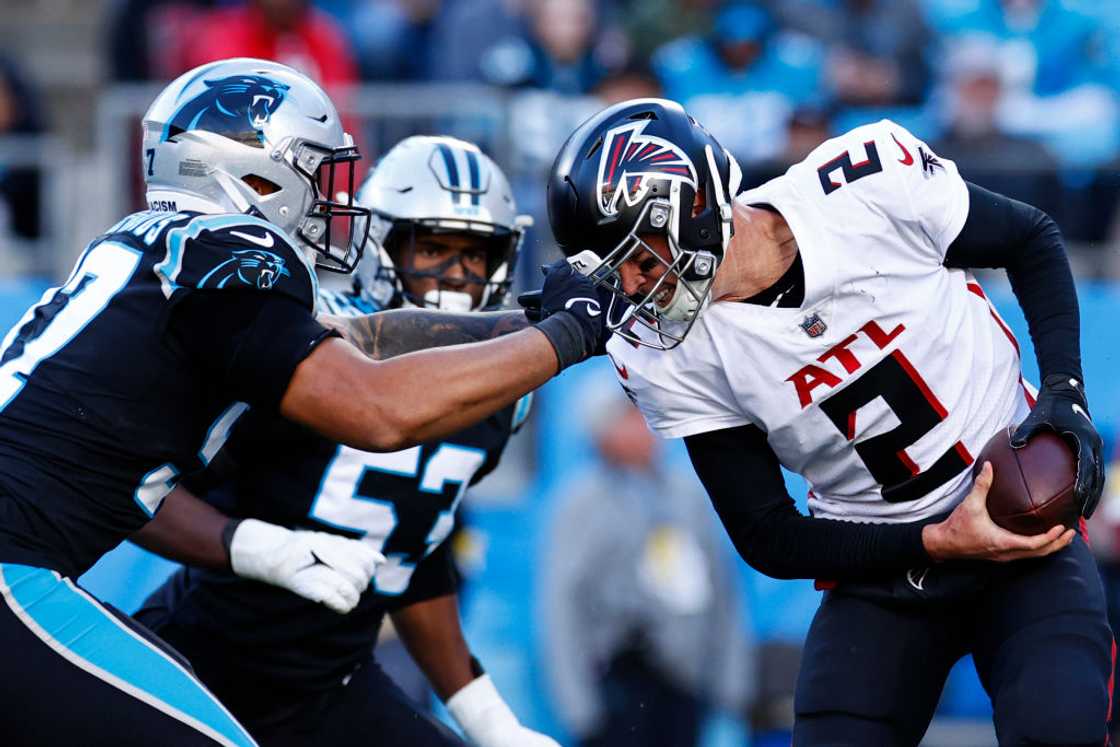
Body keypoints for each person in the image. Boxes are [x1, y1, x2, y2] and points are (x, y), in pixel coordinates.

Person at [0, 58, 609, 746]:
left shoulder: (169, 251)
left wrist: (526, 326)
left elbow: (366, 340)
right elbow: (376, 410)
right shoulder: (240, 250)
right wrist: (571, 332)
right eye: (315, 173)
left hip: (48, 568)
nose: (326, 200)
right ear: (254, 171)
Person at [535, 97, 1110, 746]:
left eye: (642, 258)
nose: (637, 288)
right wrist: (933, 539)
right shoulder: (664, 349)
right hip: (884, 567)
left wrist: (1065, 390)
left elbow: (1030, 236)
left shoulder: (865, 185)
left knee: (1061, 729)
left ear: (694, 203)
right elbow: (767, 534)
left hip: (1018, 524)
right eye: (618, 274)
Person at [131, 135, 557, 747]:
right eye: (432, 247)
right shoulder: (310, 341)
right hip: (205, 658)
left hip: (332, 683)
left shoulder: (503, 394)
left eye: (474, 254)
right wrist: (260, 548)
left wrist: (491, 722)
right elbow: (134, 489)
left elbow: (413, 548)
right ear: (379, 247)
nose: (456, 275)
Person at [541, 389, 754, 747]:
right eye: (628, 419)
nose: (643, 429)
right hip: (615, 684)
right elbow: (562, 604)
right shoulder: (581, 504)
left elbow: (722, 589)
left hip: (684, 680)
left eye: (644, 417)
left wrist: (730, 683)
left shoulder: (686, 495)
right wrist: (578, 706)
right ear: (601, 433)